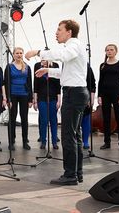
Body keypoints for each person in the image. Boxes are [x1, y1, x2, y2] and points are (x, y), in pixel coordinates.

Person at [25, 19, 89, 185]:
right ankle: (77, 172)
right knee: (75, 135)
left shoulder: (73, 45)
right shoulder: (74, 46)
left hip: (74, 94)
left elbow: (63, 55)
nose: (56, 32)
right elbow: (67, 71)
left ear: (69, 32)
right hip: (77, 92)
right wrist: (48, 70)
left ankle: (70, 175)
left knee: (68, 136)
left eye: (59, 29)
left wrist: (39, 52)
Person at [98, 44, 119, 151]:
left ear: (116, 51)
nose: (109, 52)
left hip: (117, 93)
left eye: (111, 50)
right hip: (105, 94)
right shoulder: (103, 65)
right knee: (106, 118)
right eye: (107, 50)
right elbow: (100, 81)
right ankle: (107, 142)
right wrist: (99, 96)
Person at [4, 47, 33, 150]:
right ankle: (11, 141)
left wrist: (31, 99)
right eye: (17, 53)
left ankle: (25, 141)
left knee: (24, 118)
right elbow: (6, 83)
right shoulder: (9, 67)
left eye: (21, 53)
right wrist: (8, 99)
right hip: (13, 95)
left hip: (24, 94)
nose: (19, 55)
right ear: (13, 54)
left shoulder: (27, 67)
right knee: (12, 118)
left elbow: (29, 83)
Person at [33, 60, 61, 150]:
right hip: (41, 98)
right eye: (42, 59)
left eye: (45, 59)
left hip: (53, 98)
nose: (43, 61)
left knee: (53, 120)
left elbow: (58, 86)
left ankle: (54, 142)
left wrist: (59, 100)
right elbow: (35, 85)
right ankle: (43, 142)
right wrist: (35, 100)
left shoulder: (55, 67)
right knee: (44, 120)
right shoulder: (37, 66)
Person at [81, 64, 96, 149]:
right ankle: (76, 140)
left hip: (86, 97)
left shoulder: (87, 67)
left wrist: (91, 99)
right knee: (75, 122)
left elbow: (93, 85)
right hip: (73, 97)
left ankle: (85, 141)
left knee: (86, 119)